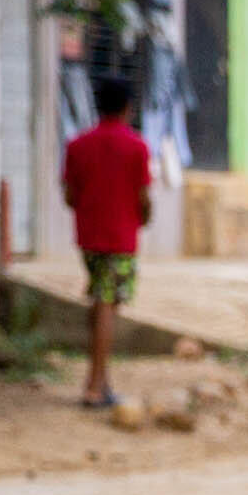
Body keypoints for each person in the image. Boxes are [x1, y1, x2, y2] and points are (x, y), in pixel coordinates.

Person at [60, 78, 152, 409]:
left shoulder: (77, 145)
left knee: (101, 301)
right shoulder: (136, 146)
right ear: (128, 108)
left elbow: (70, 196)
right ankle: (95, 387)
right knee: (106, 305)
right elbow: (143, 199)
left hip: (88, 238)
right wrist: (141, 217)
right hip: (121, 238)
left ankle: (102, 381)